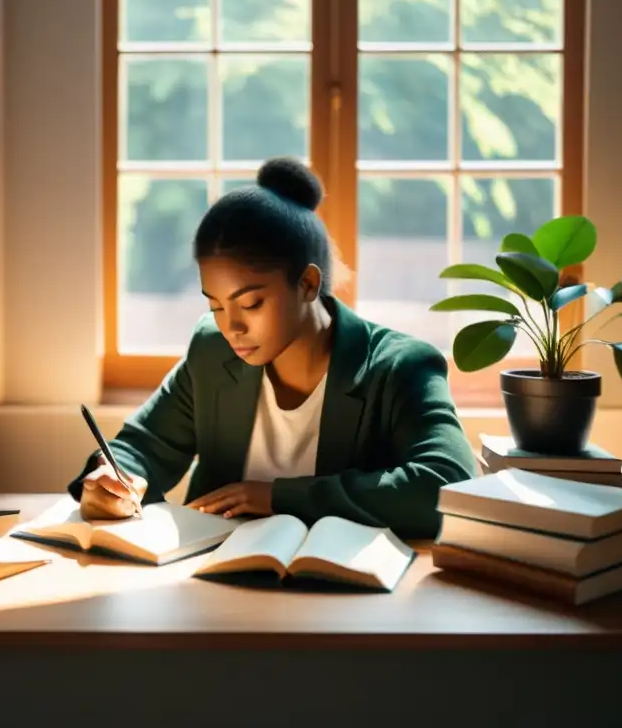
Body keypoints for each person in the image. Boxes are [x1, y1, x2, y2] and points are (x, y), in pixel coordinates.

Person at [67, 157, 477, 538]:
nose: (232, 327)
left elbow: (449, 484)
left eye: (250, 303)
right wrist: (116, 477)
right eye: (216, 305)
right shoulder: (213, 352)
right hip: (210, 584)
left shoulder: (400, 367)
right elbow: (142, 447)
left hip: (346, 596)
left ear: (307, 284)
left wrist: (278, 496)